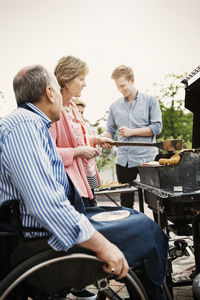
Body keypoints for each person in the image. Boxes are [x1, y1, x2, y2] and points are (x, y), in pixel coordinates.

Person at [0, 65, 168, 300]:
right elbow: (45, 205)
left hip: (44, 226)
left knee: (130, 217)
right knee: (145, 230)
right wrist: (103, 247)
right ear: (50, 92)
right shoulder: (25, 127)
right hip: (39, 238)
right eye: (58, 89)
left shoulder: (31, 123)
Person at [50, 56, 112, 209]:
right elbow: (47, 152)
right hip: (69, 184)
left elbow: (76, 139)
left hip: (85, 178)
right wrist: (78, 152)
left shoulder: (71, 106)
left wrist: (95, 140)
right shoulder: (53, 111)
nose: (85, 84)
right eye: (81, 79)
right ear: (66, 80)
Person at [102, 65, 162, 208]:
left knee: (155, 203)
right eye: (118, 87)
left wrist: (132, 132)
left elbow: (157, 127)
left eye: (123, 85)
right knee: (126, 202)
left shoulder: (150, 101)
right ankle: (131, 230)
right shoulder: (114, 106)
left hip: (147, 159)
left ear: (132, 80)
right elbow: (109, 129)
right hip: (124, 160)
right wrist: (103, 137)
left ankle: (154, 229)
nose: (121, 90)